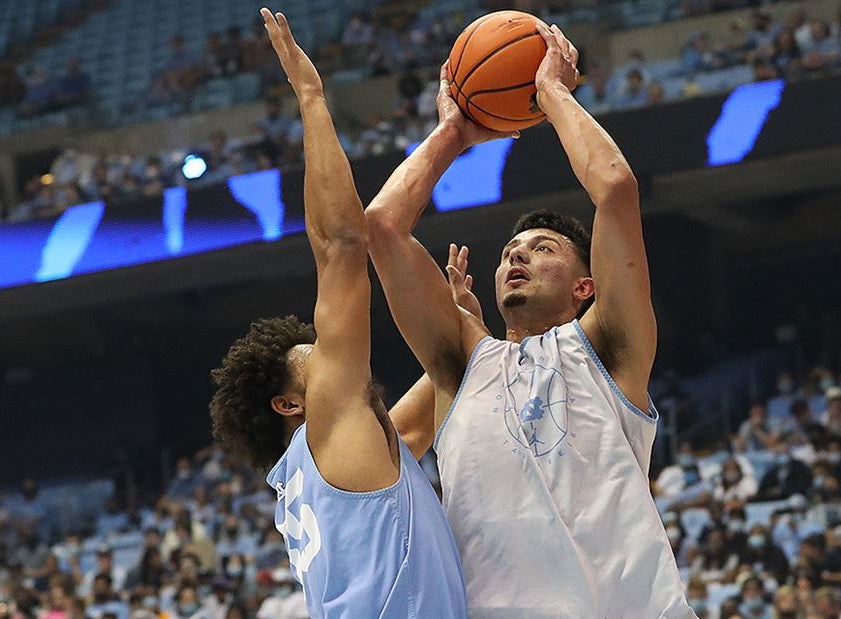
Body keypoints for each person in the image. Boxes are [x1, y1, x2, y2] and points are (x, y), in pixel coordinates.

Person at [364, 21, 694, 617]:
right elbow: (382, 226)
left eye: (543, 248)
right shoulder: (461, 366)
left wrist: (552, 94)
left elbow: (615, 187)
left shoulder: (611, 347)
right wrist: (451, 134)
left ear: (584, 286)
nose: (517, 253)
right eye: (512, 249)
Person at [208, 10, 467, 616]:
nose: (333, 355)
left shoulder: (328, 468)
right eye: (314, 358)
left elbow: (413, 425)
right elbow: (341, 245)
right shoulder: (331, 427)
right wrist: (311, 97)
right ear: (291, 403)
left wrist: (462, 320)